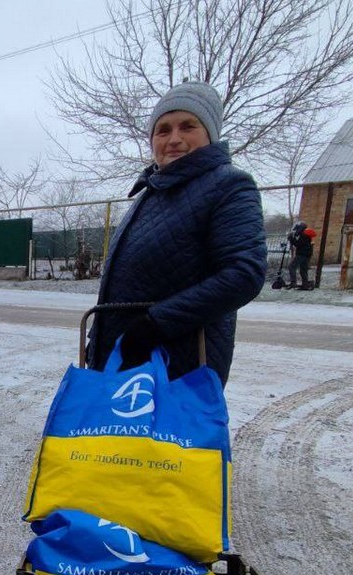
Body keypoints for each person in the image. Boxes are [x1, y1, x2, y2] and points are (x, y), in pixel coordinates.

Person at [88, 81, 266, 386]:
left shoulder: (229, 186)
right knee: (115, 435)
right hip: (124, 356)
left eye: (187, 126)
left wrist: (156, 325)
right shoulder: (152, 191)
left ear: (209, 133)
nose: (174, 139)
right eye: (163, 130)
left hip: (177, 363)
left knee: (167, 435)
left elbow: (244, 273)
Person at [286, 221, 316, 290]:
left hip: (302, 254)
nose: (296, 230)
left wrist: (291, 239)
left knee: (292, 267)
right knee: (303, 270)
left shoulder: (304, 235)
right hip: (307, 254)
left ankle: (293, 282)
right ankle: (305, 285)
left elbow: (298, 244)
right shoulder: (306, 234)